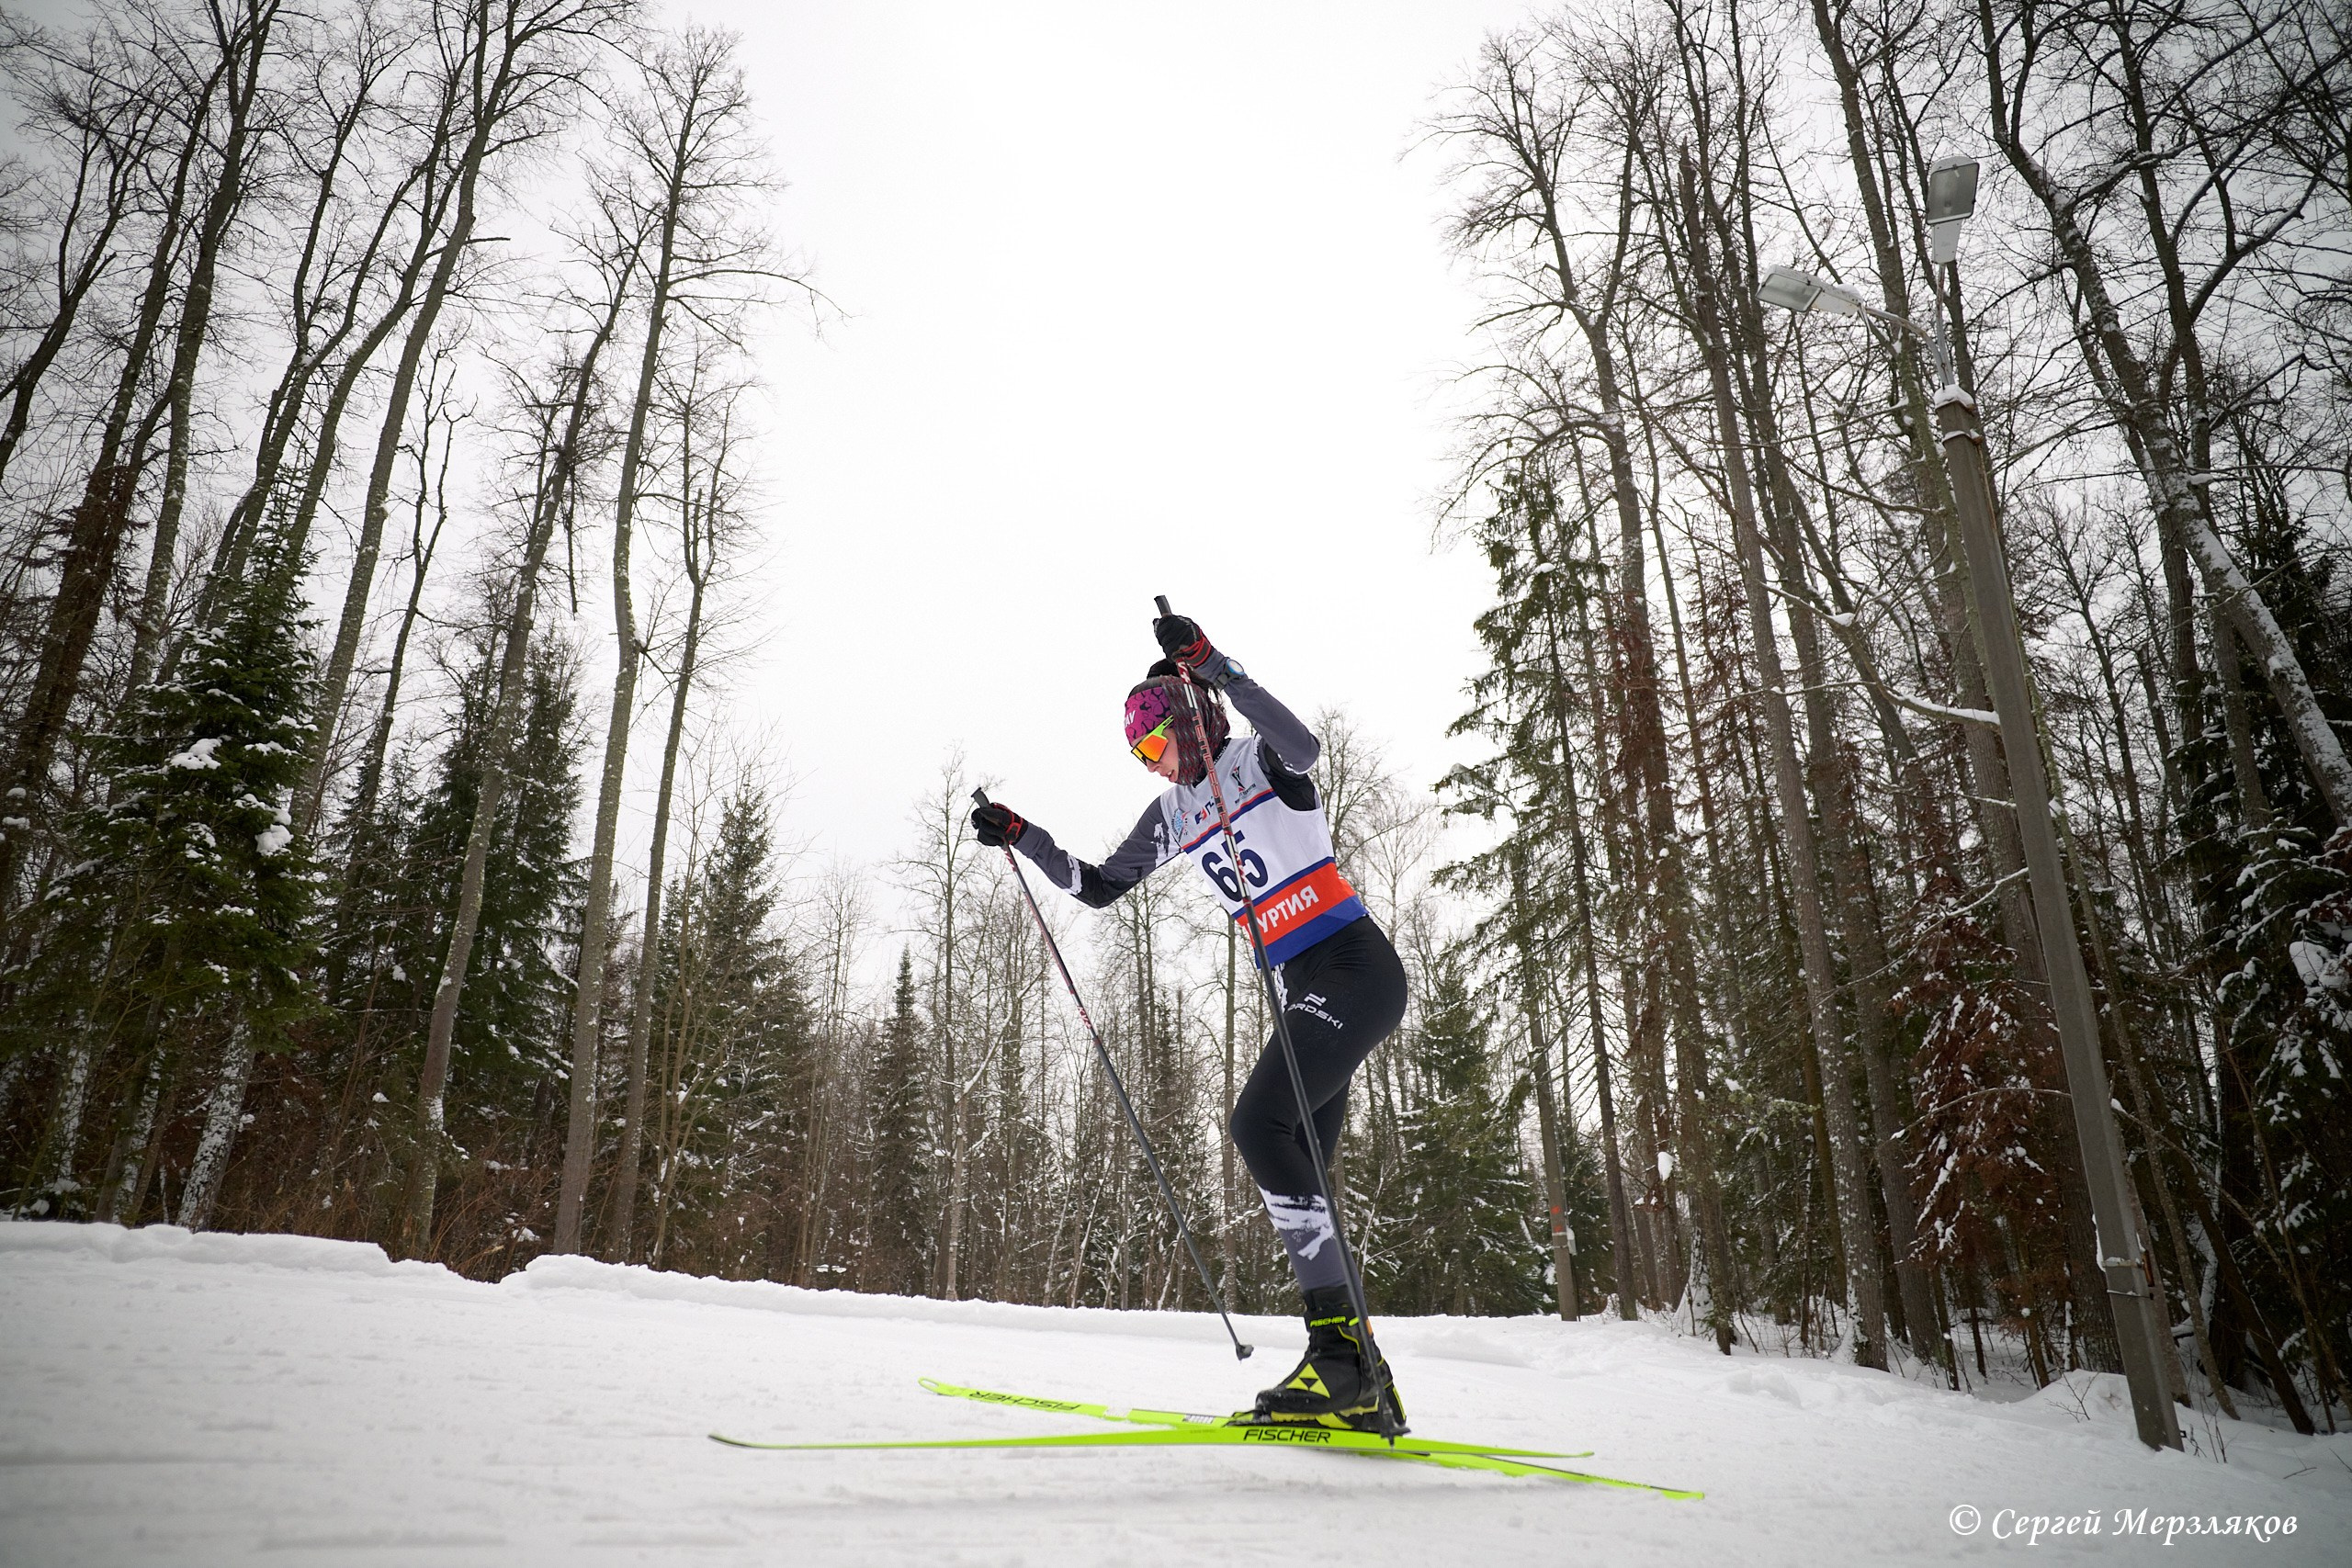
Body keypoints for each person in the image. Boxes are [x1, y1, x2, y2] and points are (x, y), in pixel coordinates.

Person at [967, 613, 1409, 1430]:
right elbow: (1099, 886)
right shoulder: (1171, 813)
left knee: (1258, 1124)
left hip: (1355, 967)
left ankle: (1342, 1360)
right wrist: (1022, 836)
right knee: (1301, 1168)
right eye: (1138, 753)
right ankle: (1363, 1377)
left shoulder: (1257, 761)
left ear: (1189, 719)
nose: (1151, 762)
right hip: (1307, 983)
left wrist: (1216, 664)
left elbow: (1306, 747)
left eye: (1153, 742)